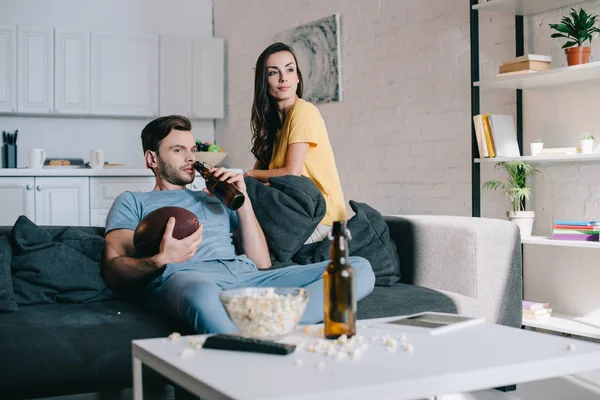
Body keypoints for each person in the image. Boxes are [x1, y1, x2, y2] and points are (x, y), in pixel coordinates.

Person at [102, 115, 375, 334]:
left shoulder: (215, 196)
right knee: (202, 294)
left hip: (247, 278)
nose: (191, 158)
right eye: (178, 150)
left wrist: (243, 203)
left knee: (357, 269)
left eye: (192, 149)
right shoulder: (133, 201)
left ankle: (265, 325)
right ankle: (250, 347)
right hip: (185, 279)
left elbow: (262, 262)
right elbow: (114, 269)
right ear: (152, 159)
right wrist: (160, 259)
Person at [245, 42, 346, 243]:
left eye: (289, 69)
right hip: (297, 216)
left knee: (250, 241)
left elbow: (291, 173)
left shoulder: (304, 111)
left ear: (297, 77)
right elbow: (256, 182)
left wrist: (247, 175)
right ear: (263, 81)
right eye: (274, 72)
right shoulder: (273, 128)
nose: (283, 78)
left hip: (324, 221)